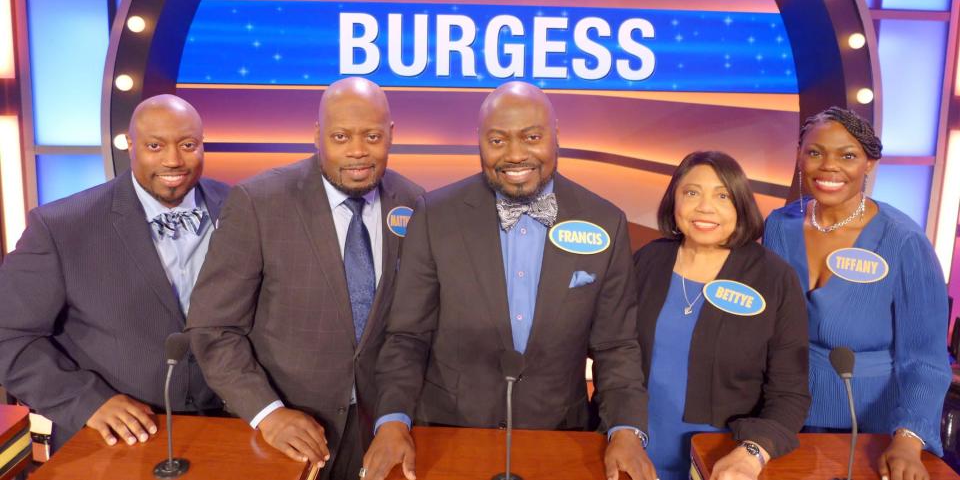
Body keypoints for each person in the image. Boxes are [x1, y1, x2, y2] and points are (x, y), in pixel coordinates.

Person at [362, 81, 655, 480]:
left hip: (558, 437)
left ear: (556, 137)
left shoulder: (606, 221)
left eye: (531, 137)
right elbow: (407, 337)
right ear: (478, 142)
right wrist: (393, 421)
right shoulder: (435, 215)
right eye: (498, 140)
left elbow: (616, 346)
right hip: (449, 433)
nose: (515, 154)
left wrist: (626, 430)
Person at [186, 77, 423, 480]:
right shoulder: (259, 202)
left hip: (379, 431)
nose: (358, 150)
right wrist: (269, 414)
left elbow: (411, 331)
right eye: (341, 136)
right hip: (284, 433)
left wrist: (394, 416)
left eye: (372, 135)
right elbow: (214, 328)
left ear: (391, 135)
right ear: (317, 135)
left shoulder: (414, 201)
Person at [0, 94, 228, 451]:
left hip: (232, 429)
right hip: (111, 436)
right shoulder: (61, 226)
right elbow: (9, 335)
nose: (173, 160)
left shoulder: (241, 210)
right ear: (129, 144)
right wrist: (87, 401)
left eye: (187, 145)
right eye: (155, 145)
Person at [764, 106, 950, 480]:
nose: (828, 166)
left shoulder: (903, 240)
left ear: (869, 163)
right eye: (815, 152)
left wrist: (908, 439)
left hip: (867, 429)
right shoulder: (778, 226)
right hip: (778, 415)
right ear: (799, 157)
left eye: (847, 155)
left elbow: (925, 358)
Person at [634, 151, 809, 480]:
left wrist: (753, 453)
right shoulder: (648, 260)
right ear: (674, 200)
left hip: (721, 463)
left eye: (722, 195)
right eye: (691, 193)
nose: (704, 207)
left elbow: (790, 394)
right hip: (632, 454)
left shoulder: (774, 278)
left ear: (740, 205)